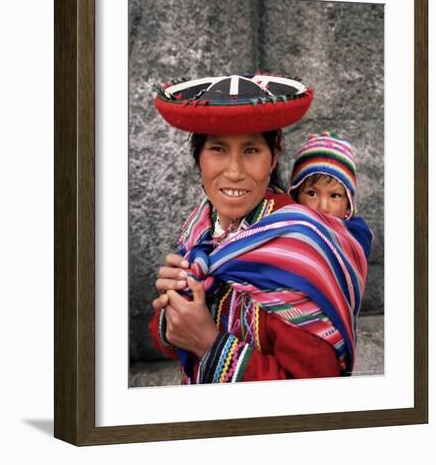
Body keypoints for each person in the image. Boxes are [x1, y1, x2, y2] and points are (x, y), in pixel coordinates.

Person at [148, 74, 373, 384]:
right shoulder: (201, 227)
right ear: (198, 158)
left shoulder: (297, 243)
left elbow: (317, 393)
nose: (235, 172)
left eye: (251, 150)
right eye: (218, 149)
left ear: (274, 155)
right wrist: (173, 305)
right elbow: (171, 341)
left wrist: (210, 345)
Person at [288, 131, 358, 220]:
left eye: (334, 196)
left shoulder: (358, 233)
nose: (323, 208)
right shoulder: (284, 229)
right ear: (295, 196)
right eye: (312, 194)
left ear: (348, 206)